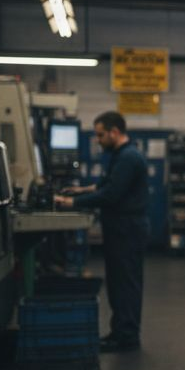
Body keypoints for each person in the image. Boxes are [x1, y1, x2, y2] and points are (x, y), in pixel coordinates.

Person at [55, 112, 148, 352]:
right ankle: (120, 332)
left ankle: (127, 336)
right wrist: (83, 190)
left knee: (125, 283)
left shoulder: (128, 157)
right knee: (118, 283)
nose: (97, 140)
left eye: (100, 135)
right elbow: (107, 185)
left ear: (114, 132)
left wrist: (71, 203)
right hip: (121, 228)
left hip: (127, 229)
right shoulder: (121, 155)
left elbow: (111, 195)